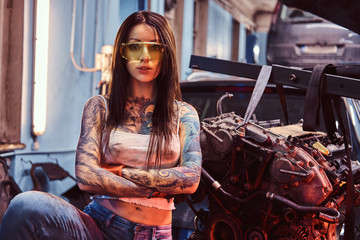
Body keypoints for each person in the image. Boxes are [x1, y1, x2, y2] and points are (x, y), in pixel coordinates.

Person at [0, 10, 202, 240]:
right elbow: (86, 175)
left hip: (155, 234)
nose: (145, 56)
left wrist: (119, 172)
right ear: (123, 53)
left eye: (154, 47)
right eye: (135, 46)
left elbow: (190, 178)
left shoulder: (183, 114)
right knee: (26, 205)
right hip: (99, 225)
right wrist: (161, 185)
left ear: (166, 54)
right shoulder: (99, 107)